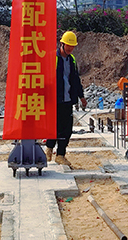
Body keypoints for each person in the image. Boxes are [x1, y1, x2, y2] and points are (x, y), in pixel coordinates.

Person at [45, 31, 87, 167]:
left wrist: (81, 96)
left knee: (67, 129)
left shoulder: (72, 60)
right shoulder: (53, 58)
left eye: (72, 46)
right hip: (54, 100)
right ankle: (49, 149)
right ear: (62, 44)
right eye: (68, 45)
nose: (70, 48)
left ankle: (60, 155)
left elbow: (76, 80)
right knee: (54, 126)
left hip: (67, 100)